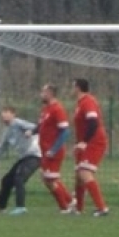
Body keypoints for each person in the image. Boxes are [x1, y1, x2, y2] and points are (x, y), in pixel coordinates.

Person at [0, 107, 41, 215]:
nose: (4, 115)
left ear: (13, 114)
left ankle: (21, 207)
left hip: (35, 155)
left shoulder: (18, 123)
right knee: (7, 180)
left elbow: (37, 127)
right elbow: (2, 148)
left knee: (19, 178)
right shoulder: (7, 131)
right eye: (3, 113)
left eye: (7, 113)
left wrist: (31, 131)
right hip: (24, 157)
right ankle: (0, 206)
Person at [71, 79, 110, 217]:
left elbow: (93, 123)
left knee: (85, 172)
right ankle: (78, 209)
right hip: (86, 142)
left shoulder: (88, 101)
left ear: (77, 88)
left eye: (72, 86)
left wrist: (84, 142)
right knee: (78, 176)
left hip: (95, 141)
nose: (71, 89)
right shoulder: (80, 103)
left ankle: (102, 208)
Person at [33, 84, 72, 212]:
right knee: (48, 178)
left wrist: (54, 149)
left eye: (43, 92)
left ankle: (64, 207)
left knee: (49, 180)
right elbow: (41, 126)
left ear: (50, 93)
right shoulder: (46, 109)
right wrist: (32, 132)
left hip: (53, 151)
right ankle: (71, 201)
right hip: (45, 150)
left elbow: (65, 131)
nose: (41, 94)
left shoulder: (57, 109)